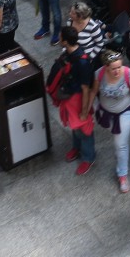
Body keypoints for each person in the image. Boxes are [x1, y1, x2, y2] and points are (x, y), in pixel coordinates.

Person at [92, 49, 130, 193]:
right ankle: (122, 153)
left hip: (125, 112)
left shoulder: (129, 75)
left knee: (120, 145)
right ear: (106, 67)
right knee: (118, 141)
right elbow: (94, 91)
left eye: (119, 67)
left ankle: (122, 175)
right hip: (106, 113)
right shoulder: (99, 74)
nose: (117, 71)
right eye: (113, 68)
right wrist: (87, 109)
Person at [56, 25, 97, 176]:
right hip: (70, 97)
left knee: (84, 129)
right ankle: (77, 147)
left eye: (61, 37)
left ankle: (88, 157)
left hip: (79, 99)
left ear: (65, 41)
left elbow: (86, 88)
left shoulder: (82, 62)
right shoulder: (68, 53)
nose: (59, 39)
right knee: (75, 126)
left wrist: (85, 111)